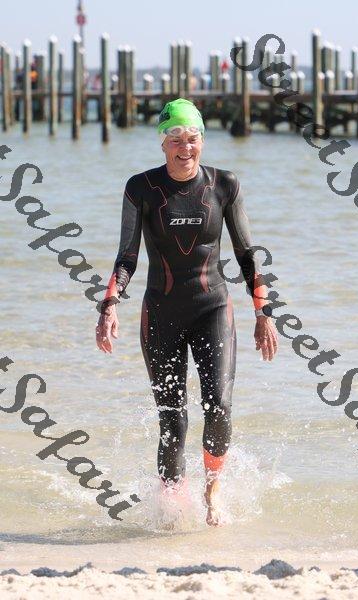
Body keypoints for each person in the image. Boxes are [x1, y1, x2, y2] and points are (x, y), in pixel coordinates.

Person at [96, 98, 278, 527]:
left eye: (192, 137)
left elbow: (247, 254)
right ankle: (172, 507)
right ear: (163, 143)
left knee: (219, 407)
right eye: (175, 138)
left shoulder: (224, 185)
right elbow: (126, 257)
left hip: (212, 307)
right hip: (161, 311)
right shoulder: (141, 188)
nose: (185, 146)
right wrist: (109, 306)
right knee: (172, 420)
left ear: (202, 141)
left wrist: (263, 313)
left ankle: (212, 489)